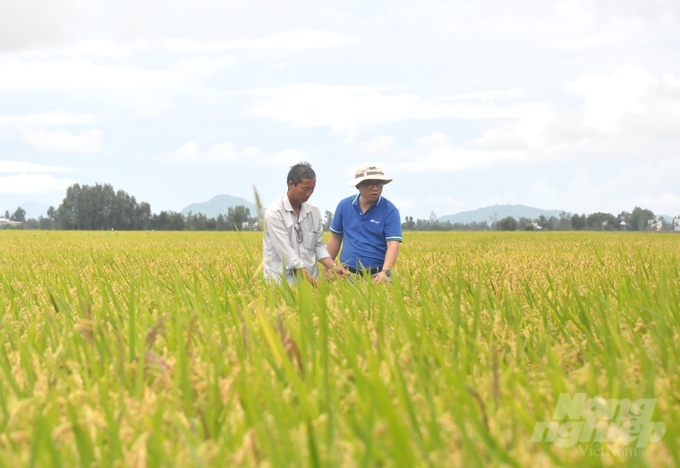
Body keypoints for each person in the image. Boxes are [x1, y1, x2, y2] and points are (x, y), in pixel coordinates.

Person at [263, 162, 348, 286]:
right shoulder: (274, 213)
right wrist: (313, 282)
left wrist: (334, 267)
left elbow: (318, 246)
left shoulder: (313, 211)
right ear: (291, 184)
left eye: (312, 189)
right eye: (305, 189)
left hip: (309, 282)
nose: (309, 193)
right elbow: (287, 254)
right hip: (281, 283)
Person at [327, 163, 402, 283]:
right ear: (358, 186)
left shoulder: (390, 210)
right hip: (347, 274)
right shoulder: (344, 206)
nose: (375, 188)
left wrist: (385, 272)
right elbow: (335, 238)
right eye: (369, 184)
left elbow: (393, 245)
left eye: (379, 184)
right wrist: (328, 268)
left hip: (377, 275)